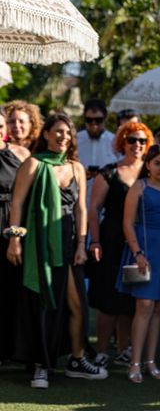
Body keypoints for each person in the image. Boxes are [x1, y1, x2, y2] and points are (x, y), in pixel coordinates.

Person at [7, 114, 107, 389]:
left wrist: (81, 246)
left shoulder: (76, 168)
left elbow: (82, 210)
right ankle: (41, 365)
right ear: (47, 134)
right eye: (59, 132)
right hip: (38, 242)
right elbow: (17, 203)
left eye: (68, 133)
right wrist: (14, 240)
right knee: (44, 303)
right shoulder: (33, 163)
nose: (64, 137)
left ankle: (76, 359)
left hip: (69, 242)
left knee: (77, 305)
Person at [87, 122, 153, 368]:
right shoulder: (109, 172)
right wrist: (94, 240)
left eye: (142, 141)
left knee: (129, 298)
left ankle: (124, 350)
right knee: (107, 298)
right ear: (122, 142)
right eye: (132, 140)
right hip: (111, 239)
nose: (137, 145)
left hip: (139, 243)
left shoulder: (151, 172)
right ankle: (103, 350)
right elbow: (94, 208)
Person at [117, 145, 160, 383]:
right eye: (157, 163)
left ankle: (151, 361)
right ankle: (134, 362)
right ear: (148, 165)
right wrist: (137, 253)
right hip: (144, 250)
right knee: (144, 305)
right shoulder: (139, 187)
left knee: (157, 309)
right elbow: (127, 223)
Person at [0, 108, 30, 363]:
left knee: (12, 287)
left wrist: (16, 236)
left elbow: (26, 199)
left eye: (1, 126)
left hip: (13, 225)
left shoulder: (22, 155)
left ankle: (13, 347)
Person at [76, 98, 118, 185]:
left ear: (105, 118)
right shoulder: (76, 140)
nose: (93, 124)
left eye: (98, 120)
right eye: (89, 120)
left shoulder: (115, 141)